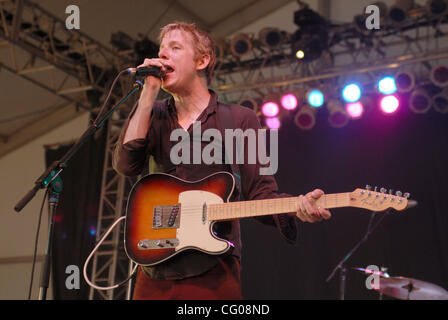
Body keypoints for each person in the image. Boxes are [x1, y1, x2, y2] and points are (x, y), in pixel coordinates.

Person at [113, 21, 331, 300]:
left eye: (175, 47)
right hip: (155, 266)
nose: (163, 55)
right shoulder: (154, 115)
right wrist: (147, 96)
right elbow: (126, 165)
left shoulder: (240, 119)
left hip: (213, 269)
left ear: (203, 60)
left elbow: (260, 192)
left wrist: (294, 208)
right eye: (161, 49)